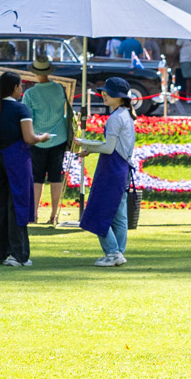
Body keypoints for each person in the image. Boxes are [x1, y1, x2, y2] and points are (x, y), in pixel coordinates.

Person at [0, 71, 46, 268]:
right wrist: (42, 137)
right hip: (17, 159)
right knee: (18, 205)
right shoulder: (21, 109)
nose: (22, 89)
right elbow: (29, 138)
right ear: (15, 87)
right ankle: (18, 254)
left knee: (0, 205)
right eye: (20, 86)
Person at [75, 78, 137, 268]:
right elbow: (112, 147)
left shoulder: (116, 118)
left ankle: (113, 252)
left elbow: (109, 148)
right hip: (122, 168)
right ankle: (118, 253)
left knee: (97, 211)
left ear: (119, 97)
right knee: (119, 216)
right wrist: (90, 148)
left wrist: (83, 144)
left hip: (112, 169)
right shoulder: (125, 115)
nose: (103, 95)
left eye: (107, 92)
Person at [21, 58, 72, 228]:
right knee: (56, 177)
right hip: (59, 137)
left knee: (37, 178)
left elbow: (28, 118)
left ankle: (34, 213)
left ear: (35, 73)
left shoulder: (30, 94)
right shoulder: (59, 89)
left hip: (37, 138)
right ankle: (54, 215)